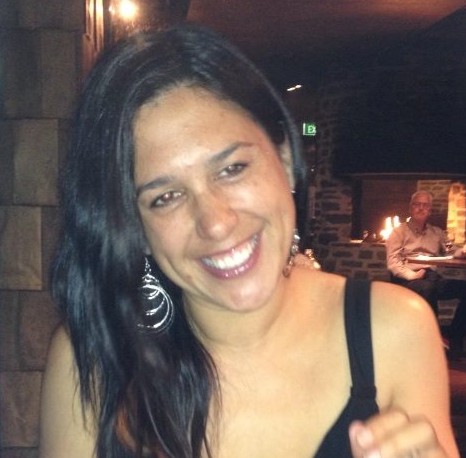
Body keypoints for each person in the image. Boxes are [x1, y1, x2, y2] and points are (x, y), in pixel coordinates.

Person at [39, 24, 459, 458]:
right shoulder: (93, 359)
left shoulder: (394, 330)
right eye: (165, 197)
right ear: (133, 225)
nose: (216, 223)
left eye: (232, 169)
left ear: (284, 159)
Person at [386, 190, 466, 358]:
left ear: (430, 210)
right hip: (408, 278)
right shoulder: (398, 232)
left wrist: (463, 251)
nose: (421, 208)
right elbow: (393, 262)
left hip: (432, 277)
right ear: (410, 208)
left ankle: (454, 336)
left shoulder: (437, 233)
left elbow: (451, 251)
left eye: (425, 205)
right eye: (417, 204)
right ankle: (434, 339)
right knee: (428, 288)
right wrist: (411, 275)